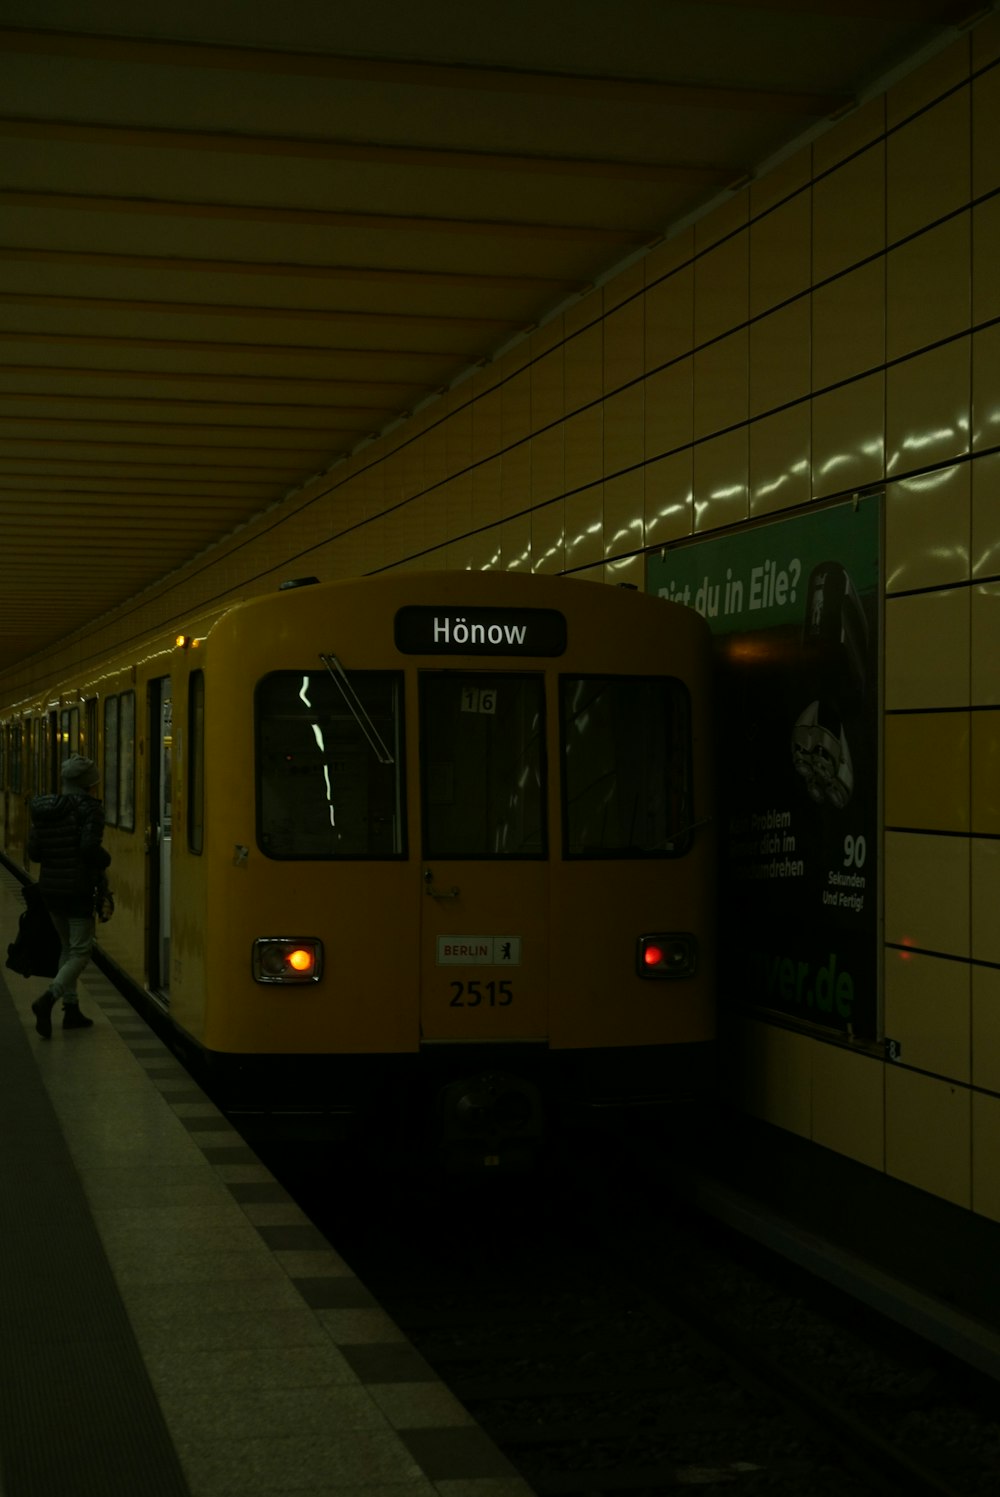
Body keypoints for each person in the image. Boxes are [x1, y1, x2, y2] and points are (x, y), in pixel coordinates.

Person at [27, 753, 110, 1038]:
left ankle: (72, 1010)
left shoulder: (43, 809)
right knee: (81, 952)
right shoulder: (91, 810)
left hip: (50, 889)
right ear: (89, 784)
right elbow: (89, 849)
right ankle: (48, 998)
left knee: (66, 947)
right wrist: (106, 860)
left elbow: (34, 852)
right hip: (77, 890)